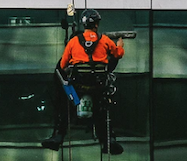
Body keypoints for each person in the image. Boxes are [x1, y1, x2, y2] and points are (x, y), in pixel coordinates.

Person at [43, 8, 125, 155]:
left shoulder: (74, 42)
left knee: (65, 107)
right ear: (97, 24)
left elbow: (62, 65)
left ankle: (58, 136)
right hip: (97, 89)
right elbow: (117, 54)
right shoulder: (105, 40)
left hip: (77, 90)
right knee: (102, 111)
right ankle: (108, 140)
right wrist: (120, 45)